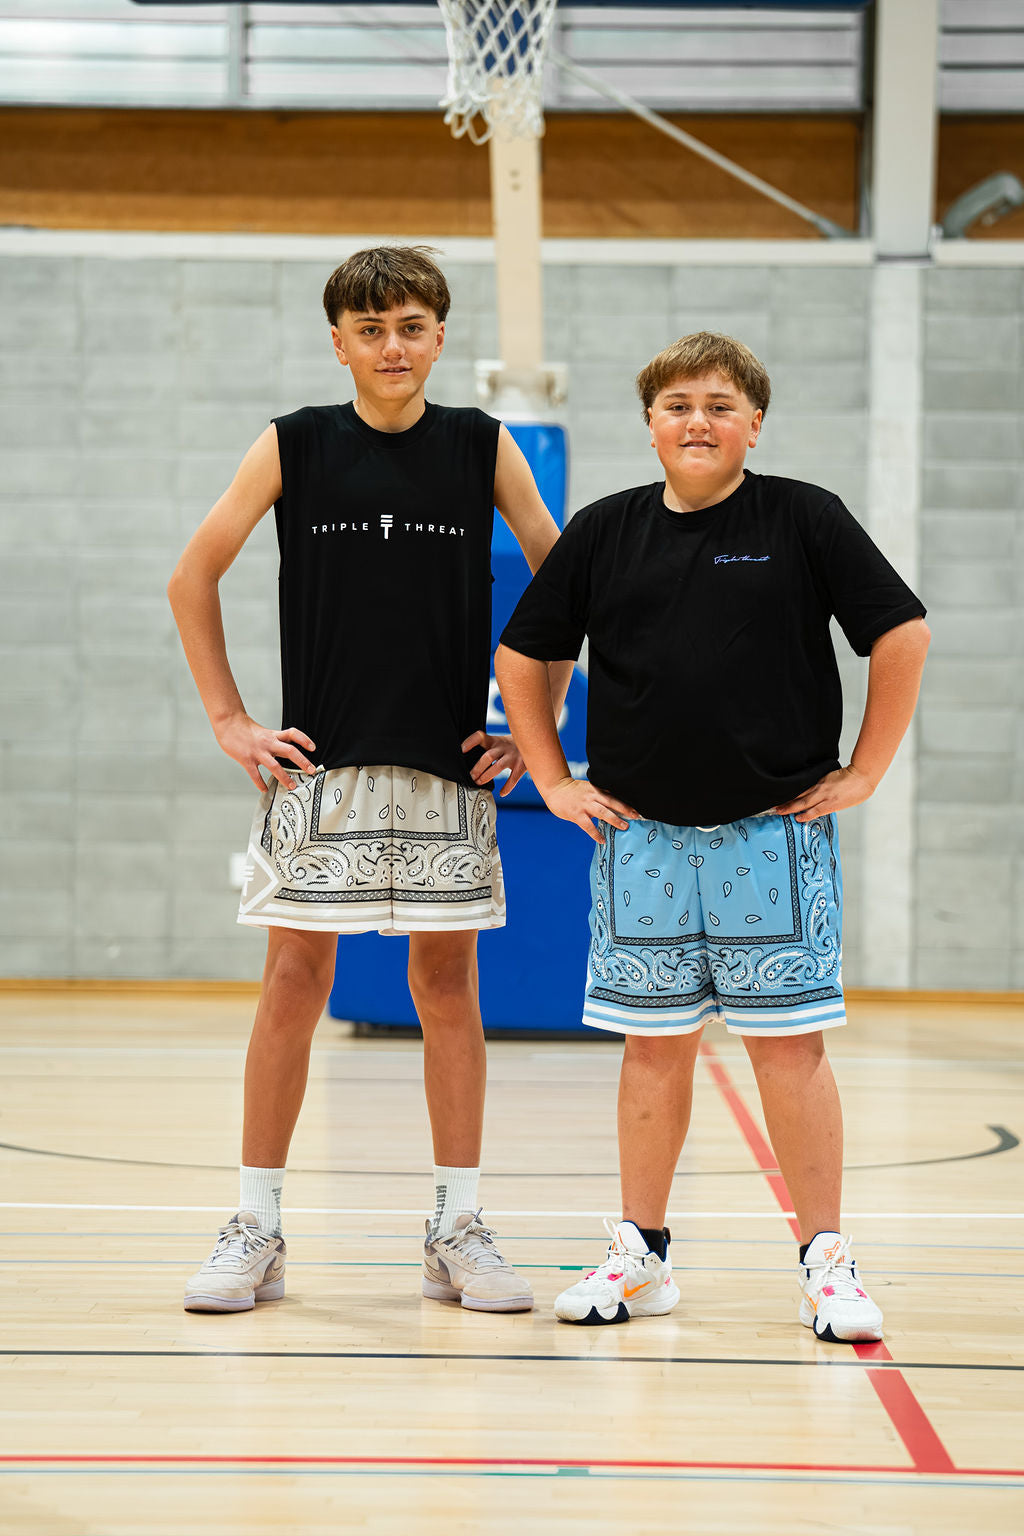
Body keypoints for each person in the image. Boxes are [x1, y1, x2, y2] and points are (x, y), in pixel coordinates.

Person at [495, 331, 929, 1342]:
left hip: (769, 837)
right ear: (649, 424)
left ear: (753, 424)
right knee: (653, 1053)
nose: (699, 419)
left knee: (788, 1052)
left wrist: (865, 770)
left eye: (720, 404)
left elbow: (899, 634)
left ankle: (825, 1260)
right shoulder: (604, 532)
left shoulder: (803, 517)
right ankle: (640, 1256)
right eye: (678, 403)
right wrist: (551, 777)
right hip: (640, 840)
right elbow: (524, 655)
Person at [168, 244, 569, 1315]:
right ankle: (255, 1223)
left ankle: (456, 1227)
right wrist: (228, 718)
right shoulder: (293, 444)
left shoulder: (480, 447)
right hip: (319, 770)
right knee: (292, 988)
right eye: (371, 328)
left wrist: (537, 725)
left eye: (412, 327)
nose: (393, 345)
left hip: (447, 770)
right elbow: (191, 572)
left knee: (448, 993)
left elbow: (560, 575)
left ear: (440, 337)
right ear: (338, 340)